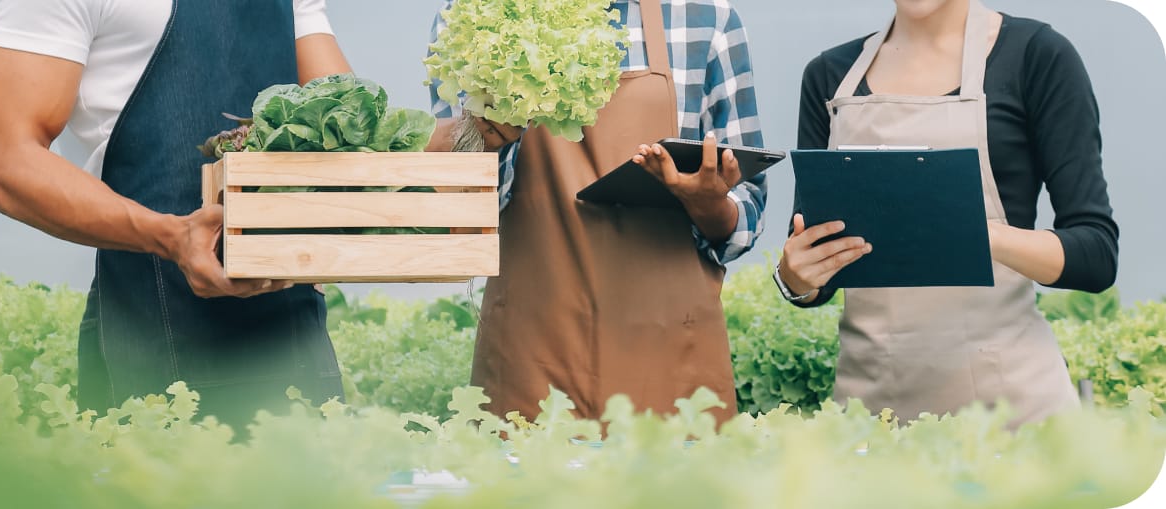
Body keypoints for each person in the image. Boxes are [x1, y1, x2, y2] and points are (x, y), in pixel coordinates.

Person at [0, 0, 353, 432]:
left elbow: (345, 127)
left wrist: (444, 133)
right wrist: (171, 237)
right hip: (153, 328)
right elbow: (3, 160)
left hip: (292, 334)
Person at [776, 0, 1118, 427]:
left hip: (1013, 417)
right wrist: (796, 277)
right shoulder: (828, 76)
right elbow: (815, 266)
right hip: (870, 420)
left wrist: (963, 225)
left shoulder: (1037, 56)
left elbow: (1097, 255)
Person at [427, 0, 768, 423]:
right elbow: (457, 210)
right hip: (531, 355)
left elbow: (747, 209)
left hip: (672, 353)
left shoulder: (707, 20)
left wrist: (710, 204)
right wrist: (489, 134)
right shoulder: (473, 19)